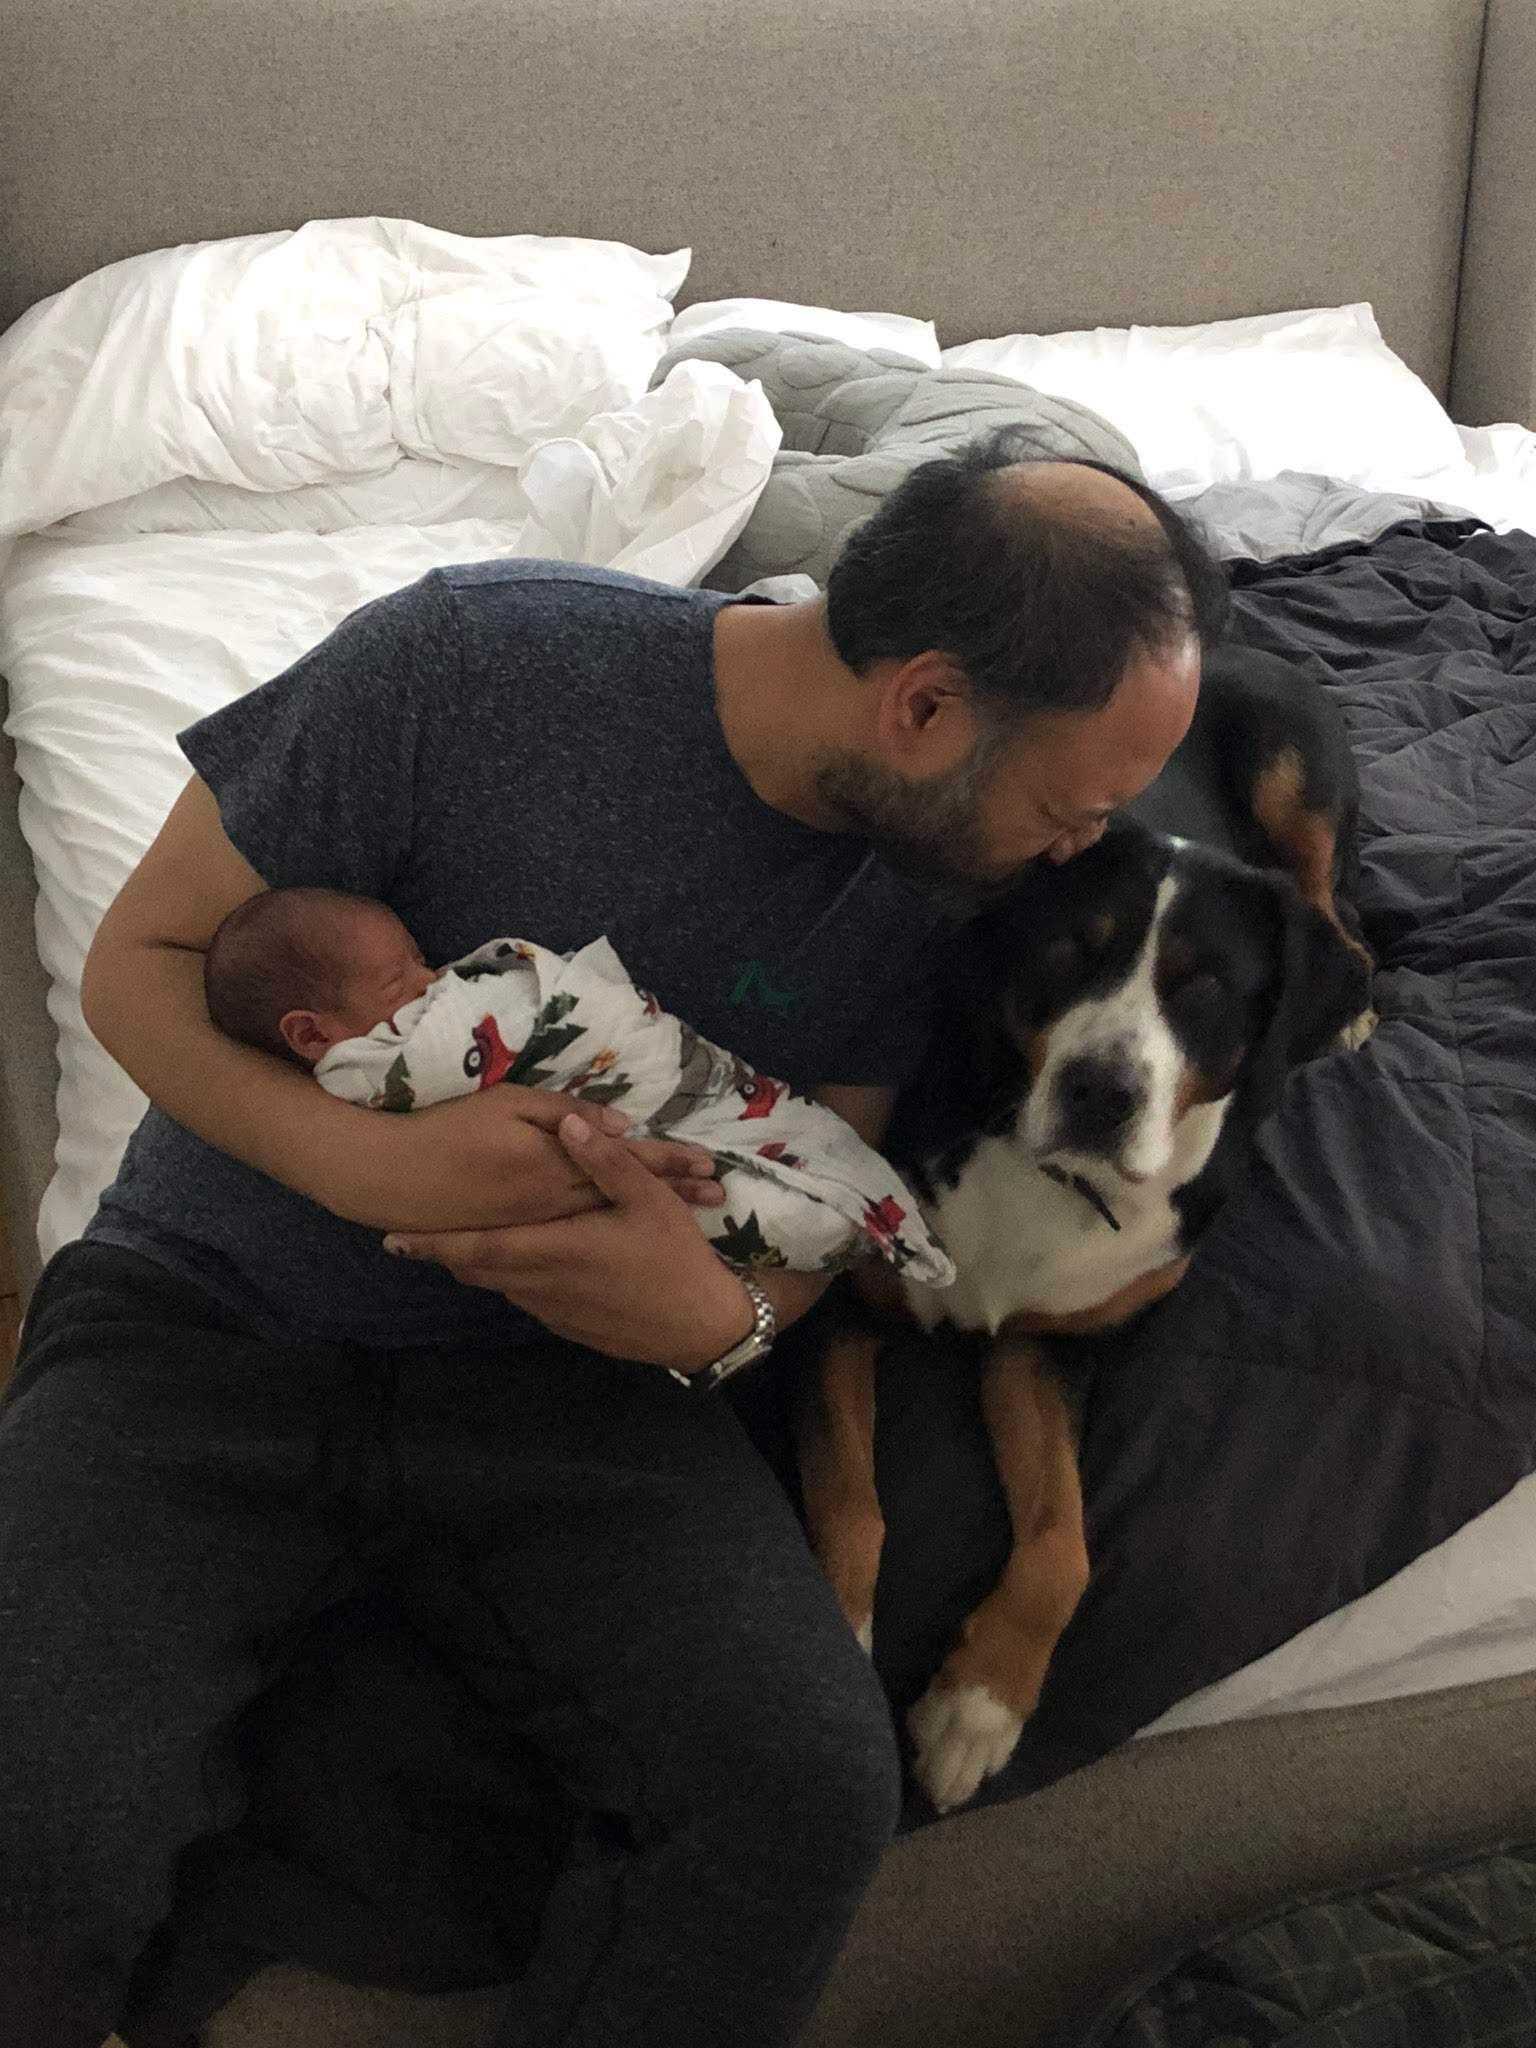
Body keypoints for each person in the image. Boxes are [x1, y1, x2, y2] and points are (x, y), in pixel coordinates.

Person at [0, 434, 1226, 2048]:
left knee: (799, 1791)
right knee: (34, 1807)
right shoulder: (465, 661)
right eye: (1071, 806)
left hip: (570, 1395)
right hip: (208, 1317)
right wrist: (382, 1168)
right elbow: (138, 959)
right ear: (922, 709)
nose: (1081, 848)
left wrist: (715, 1317)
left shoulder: (930, 888)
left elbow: (822, 1173)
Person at [200, 887, 955, 1282]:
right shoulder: (360, 1069)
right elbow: (419, 1071)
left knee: (785, 1125)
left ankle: (870, 1206)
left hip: (671, 1083)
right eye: (401, 977)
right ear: (309, 1034)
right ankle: (865, 1224)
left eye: (422, 962)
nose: (435, 981)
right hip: (651, 1156)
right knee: (736, 1198)